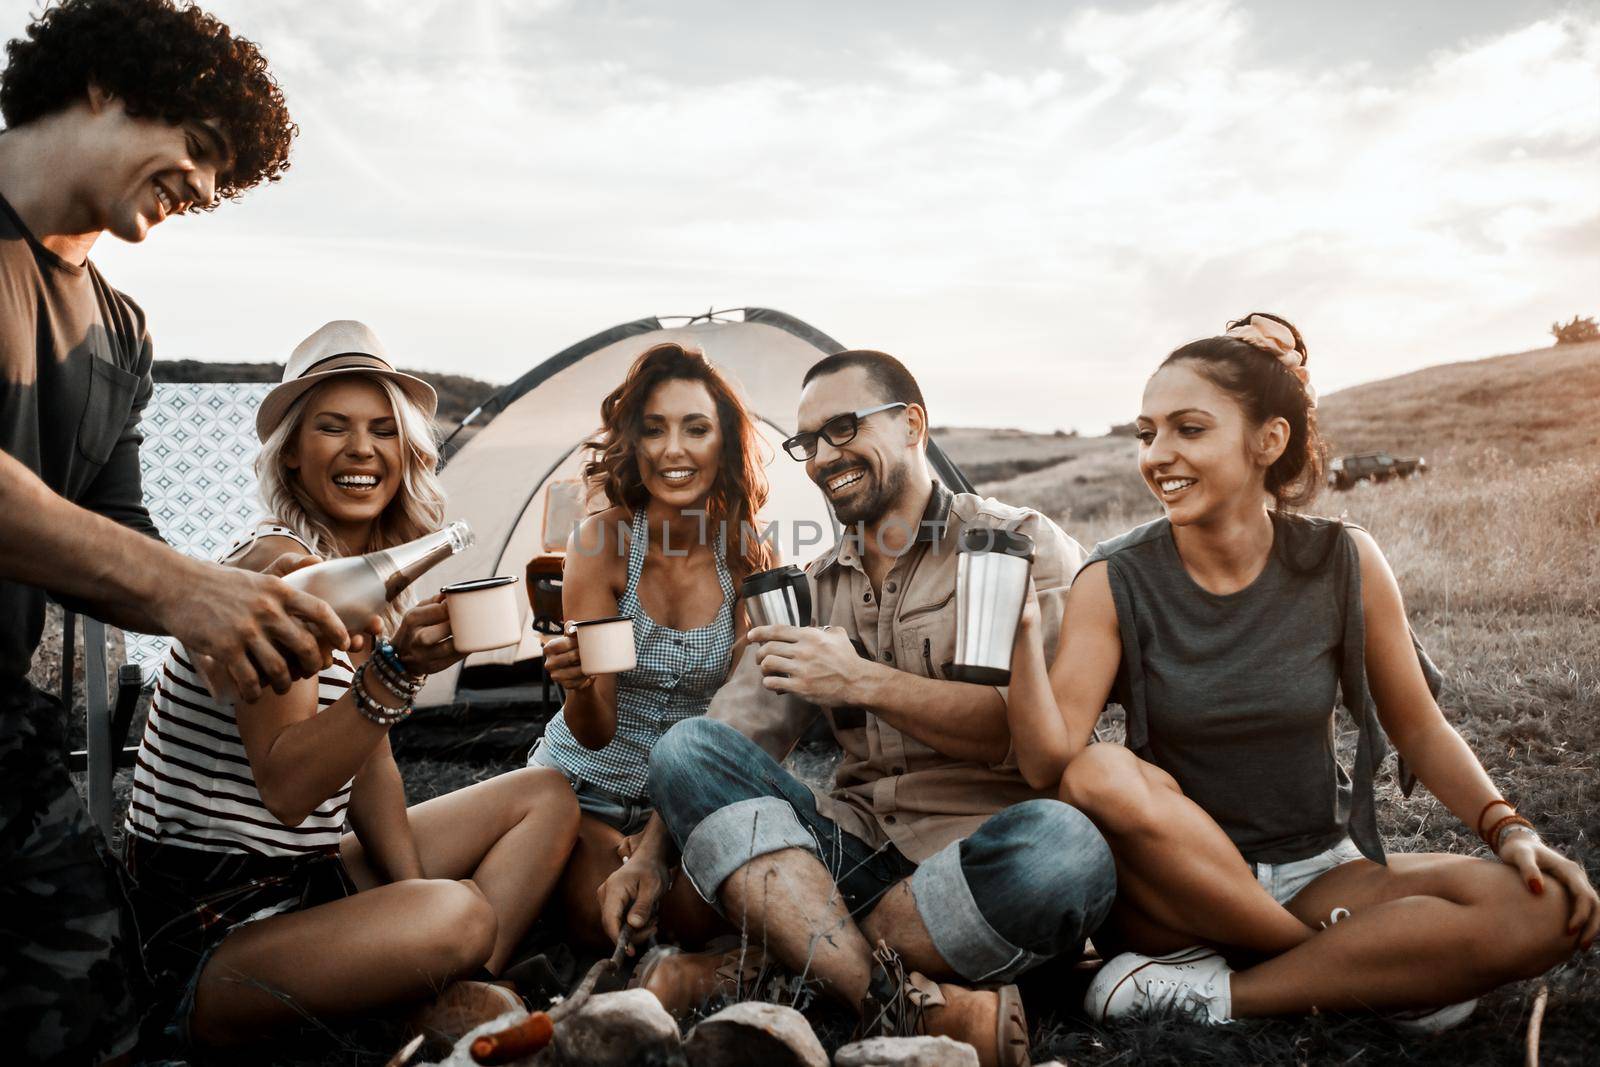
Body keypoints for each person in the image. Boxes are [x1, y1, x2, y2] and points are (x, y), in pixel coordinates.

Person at [1001, 312, 1598, 1028]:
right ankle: (1362, 968)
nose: (1157, 453)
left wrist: (1511, 829)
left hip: (1321, 870)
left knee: (1548, 906)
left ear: (1269, 440)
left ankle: (1223, 994)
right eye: (1146, 432)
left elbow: (1420, 725)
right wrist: (1024, 639)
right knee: (1095, 772)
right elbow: (1047, 763)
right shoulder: (1116, 577)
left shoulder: (1344, 559)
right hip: (1174, 895)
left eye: (1189, 429)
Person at [0, 3, 350, 1062]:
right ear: (104, 86)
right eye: (198, 148)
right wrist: (189, 591)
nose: (203, 187)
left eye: (221, 174)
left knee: (91, 1008)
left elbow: (118, 536)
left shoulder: (120, 328)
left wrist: (247, 600)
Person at [629, 350, 1116, 1067]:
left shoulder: (1018, 545)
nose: (824, 457)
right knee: (686, 749)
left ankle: (789, 953)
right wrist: (647, 852)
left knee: (1068, 849)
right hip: (851, 852)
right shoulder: (816, 585)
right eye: (807, 443)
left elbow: (1039, 739)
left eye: (843, 428)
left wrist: (860, 681)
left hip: (981, 858)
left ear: (912, 424)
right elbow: (730, 732)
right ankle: (879, 993)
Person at [122, 321, 581, 1054]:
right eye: (332, 428)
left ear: (406, 452)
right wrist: (393, 675)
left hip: (305, 877)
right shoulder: (277, 573)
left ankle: (440, 988)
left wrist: (406, 897)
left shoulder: (359, 574)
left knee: (546, 796)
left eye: (381, 430)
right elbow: (289, 786)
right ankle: (446, 992)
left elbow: (368, 760)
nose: (362, 449)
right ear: (294, 456)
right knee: (462, 913)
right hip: (213, 927)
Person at [533, 342, 772, 950]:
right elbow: (595, 729)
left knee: (703, 923)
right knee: (612, 930)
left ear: (724, 444)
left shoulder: (746, 554)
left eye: (696, 429)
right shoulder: (601, 544)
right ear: (633, 444)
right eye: (654, 430)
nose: (673, 450)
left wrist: (661, 840)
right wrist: (579, 685)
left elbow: (737, 720)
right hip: (586, 788)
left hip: (687, 801)